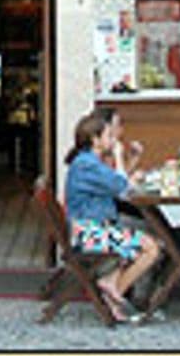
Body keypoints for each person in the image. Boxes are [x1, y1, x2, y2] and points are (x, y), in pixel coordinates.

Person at [64, 113, 161, 322]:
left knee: (144, 237)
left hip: (95, 228)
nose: (114, 139)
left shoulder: (88, 162)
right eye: (109, 135)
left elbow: (114, 184)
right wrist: (118, 155)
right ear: (95, 140)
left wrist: (129, 161)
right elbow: (121, 186)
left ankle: (112, 288)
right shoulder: (87, 165)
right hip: (89, 234)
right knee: (151, 247)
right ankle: (115, 292)